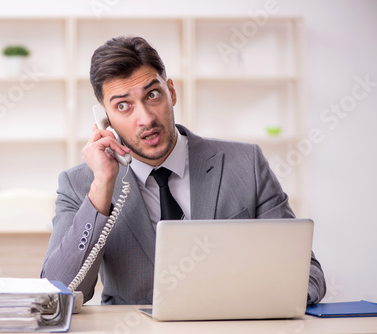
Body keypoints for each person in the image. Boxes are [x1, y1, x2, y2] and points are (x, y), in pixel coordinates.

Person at [41, 36, 326, 306]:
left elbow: (306, 272)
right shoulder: (80, 184)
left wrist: (258, 305)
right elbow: (56, 293)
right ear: (105, 119)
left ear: (172, 92)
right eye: (123, 106)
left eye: (152, 94)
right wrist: (102, 186)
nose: (146, 118)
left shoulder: (246, 164)